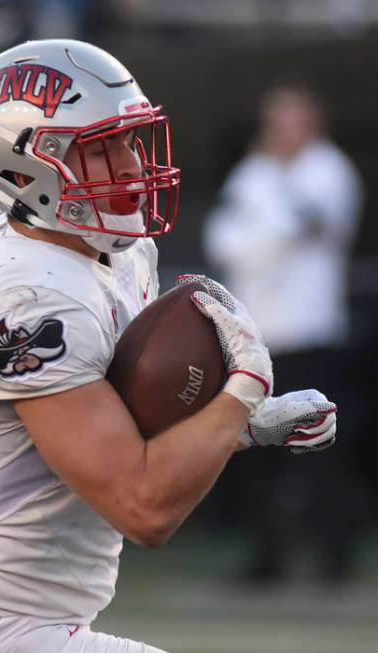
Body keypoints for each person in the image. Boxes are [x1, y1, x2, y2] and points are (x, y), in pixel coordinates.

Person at [0, 40, 338, 653]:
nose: (131, 163)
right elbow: (142, 505)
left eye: (130, 139)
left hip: (33, 626)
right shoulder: (21, 291)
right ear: (26, 168)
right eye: (101, 147)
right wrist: (242, 391)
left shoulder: (117, 250)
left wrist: (242, 428)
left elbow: (124, 423)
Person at [203, 80, 364, 582]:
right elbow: (224, 240)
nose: (282, 130)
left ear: (312, 122)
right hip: (257, 337)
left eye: (293, 118)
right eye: (275, 119)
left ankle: (336, 558)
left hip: (310, 332)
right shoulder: (254, 172)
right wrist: (266, 235)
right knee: (253, 450)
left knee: (319, 448)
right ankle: (265, 559)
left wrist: (265, 233)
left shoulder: (329, 170)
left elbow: (305, 228)